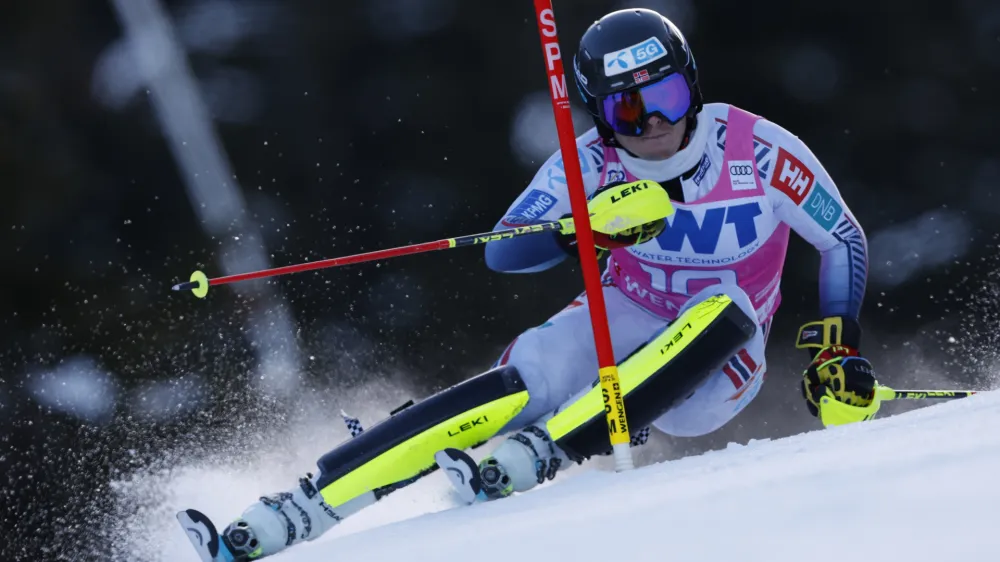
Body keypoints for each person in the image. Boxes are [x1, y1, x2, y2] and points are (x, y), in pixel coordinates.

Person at [178, 8, 878, 561]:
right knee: (533, 374)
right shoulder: (590, 164)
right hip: (627, 312)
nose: (654, 124)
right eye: (627, 112)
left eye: (664, 96)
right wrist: (579, 234)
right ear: (602, 115)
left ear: (691, 84)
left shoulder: (757, 149)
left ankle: (546, 451)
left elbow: (840, 235)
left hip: (722, 359)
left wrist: (836, 345)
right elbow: (503, 252)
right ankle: (303, 504)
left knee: (722, 308)